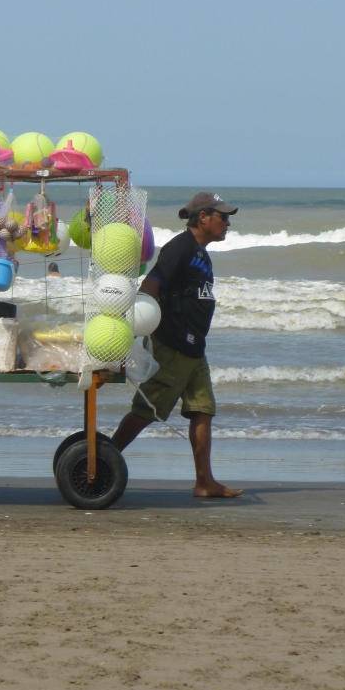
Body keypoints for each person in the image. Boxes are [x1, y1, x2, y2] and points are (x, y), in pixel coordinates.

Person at [111, 193, 243, 498]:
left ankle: (204, 482)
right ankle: (105, 458)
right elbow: (152, 285)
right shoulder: (180, 247)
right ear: (203, 218)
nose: (228, 223)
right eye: (223, 217)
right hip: (174, 344)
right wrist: (135, 329)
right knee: (148, 410)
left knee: (202, 410)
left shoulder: (201, 253)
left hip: (195, 348)